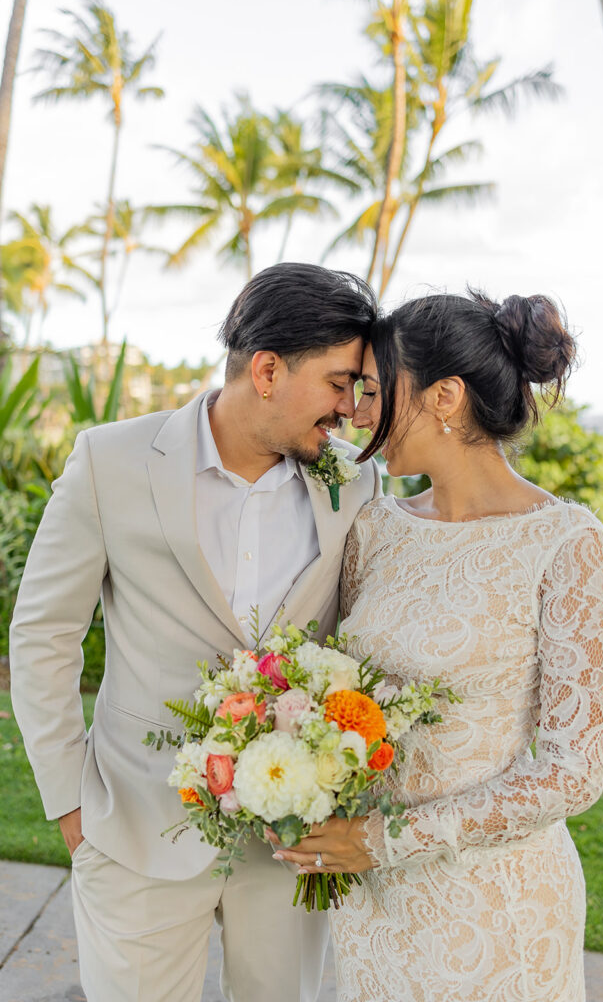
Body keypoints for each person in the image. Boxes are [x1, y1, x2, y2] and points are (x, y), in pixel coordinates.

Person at [10, 262, 381, 1002]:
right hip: (134, 828)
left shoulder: (356, 482)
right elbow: (43, 635)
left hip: (292, 839)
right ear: (268, 370)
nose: (351, 408)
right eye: (340, 383)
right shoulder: (109, 461)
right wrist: (71, 805)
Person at [274, 290, 603, 1002]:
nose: (357, 412)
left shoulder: (564, 543)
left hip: (495, 906)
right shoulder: (375, 528)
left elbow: (571, 773)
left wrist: (384, 840)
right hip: (372, 905)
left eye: (373, 389)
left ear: (444, 397)